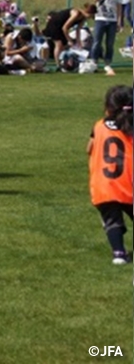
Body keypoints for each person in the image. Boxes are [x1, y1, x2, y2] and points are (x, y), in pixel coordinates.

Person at [87, 85, 133, 265]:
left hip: (104, 184)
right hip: (129, 181)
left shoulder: (99, 125)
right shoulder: (131, 126)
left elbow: (89, 148)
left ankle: (119, 254)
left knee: (112, 221)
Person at [90, 0, 123, 76]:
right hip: (100, 18)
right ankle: (93, 61)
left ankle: (107, 62)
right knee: (96, 42)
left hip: (112, 20)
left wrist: (119, 21)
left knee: (110, 43)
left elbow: (119, 7)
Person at [43, 3, 96, 69]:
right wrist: (69, 40)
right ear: (89, 13)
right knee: (59, 44)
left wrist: (78, 42)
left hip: (61, 27)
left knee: (64, 46)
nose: (91, 18)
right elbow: (65, 28)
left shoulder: (83, 18)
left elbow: (78, 30)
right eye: (91, 16)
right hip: (55, 24)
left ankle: (63, 61)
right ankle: (58, 65)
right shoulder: (76, 13)